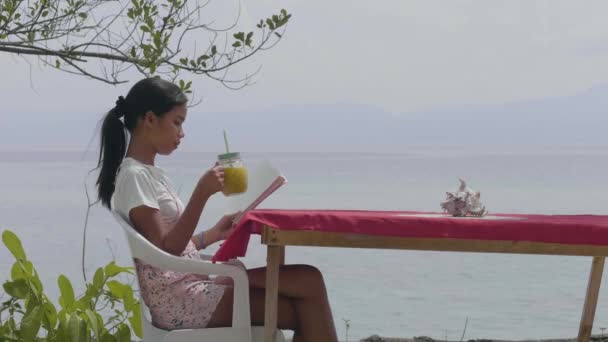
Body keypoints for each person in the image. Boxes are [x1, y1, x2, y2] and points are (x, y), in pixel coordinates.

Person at [95, 77, 337, 342]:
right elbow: (167, 249)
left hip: (191, 287)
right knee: (307, 291)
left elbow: (164, 248)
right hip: (183, 300)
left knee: (307, 282)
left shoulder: (148, 174)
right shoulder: (135, 176)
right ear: (150, 119)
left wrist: (212, 234)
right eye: (177, 122)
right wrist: (202, 192)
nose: (182, 133)